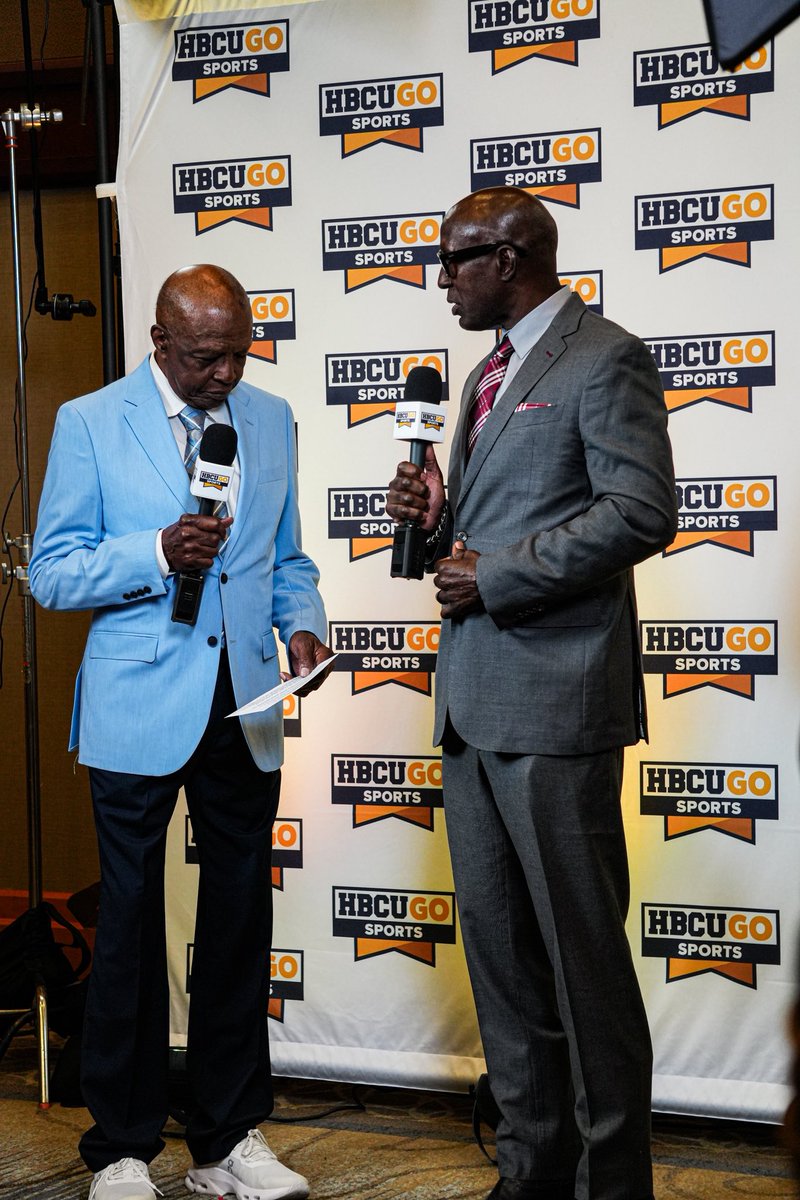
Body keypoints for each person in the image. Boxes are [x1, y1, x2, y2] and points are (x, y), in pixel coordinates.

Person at [387, 187, 678, 1200]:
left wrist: (499, 574)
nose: (442, 281)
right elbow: (492, 521)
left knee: (583, 969)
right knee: (505, 971)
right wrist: (436, 516)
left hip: (556, 711)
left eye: (453, 259)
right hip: (472, 708)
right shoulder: (483, 373)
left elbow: (641, 511)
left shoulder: (605, 357)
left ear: (507, 258)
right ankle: (530, 1172)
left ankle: (613, 1185)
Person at [30, 264, 332, 1200]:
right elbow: (53, 572)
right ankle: (121, 1149)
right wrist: (154, 551)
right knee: (127, 924)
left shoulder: (272, 417)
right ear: (159, 342)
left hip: (243, 705)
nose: (225, 374)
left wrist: (302, 622)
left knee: (239, 920)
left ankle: (226, 1139)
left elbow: (287, 558)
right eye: (206, 357)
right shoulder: (90, 420)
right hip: (135, 706)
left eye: (239, 353)